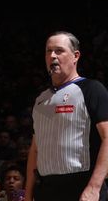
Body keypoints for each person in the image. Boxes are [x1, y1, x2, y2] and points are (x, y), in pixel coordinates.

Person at [25, 31, 108, 201]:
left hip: (82, 186)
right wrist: (28, 194)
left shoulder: (92, 89)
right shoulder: (41, 99)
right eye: (49, 51)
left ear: (75, 56)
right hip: (46, 189)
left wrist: (94, 187)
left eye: (59, 51)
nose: (52, 56)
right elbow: (35, 149)